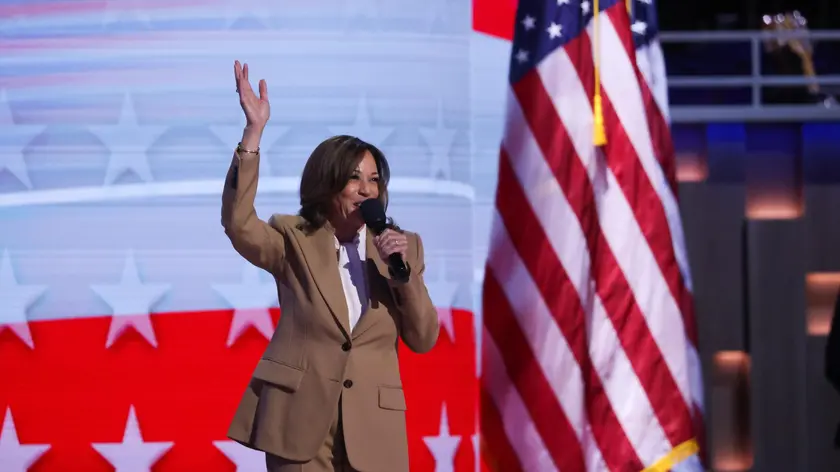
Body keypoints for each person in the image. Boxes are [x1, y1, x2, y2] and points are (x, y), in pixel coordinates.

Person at [221, 60, 440, 472]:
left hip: (374, 428)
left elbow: (424, 338)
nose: (366, 189)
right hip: (302, 424)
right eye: (354, 178)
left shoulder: (402, 248)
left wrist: (402, 275)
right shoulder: (293, 238)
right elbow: (239, 225)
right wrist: (253, 135)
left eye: (374, 180)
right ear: (327, 183)